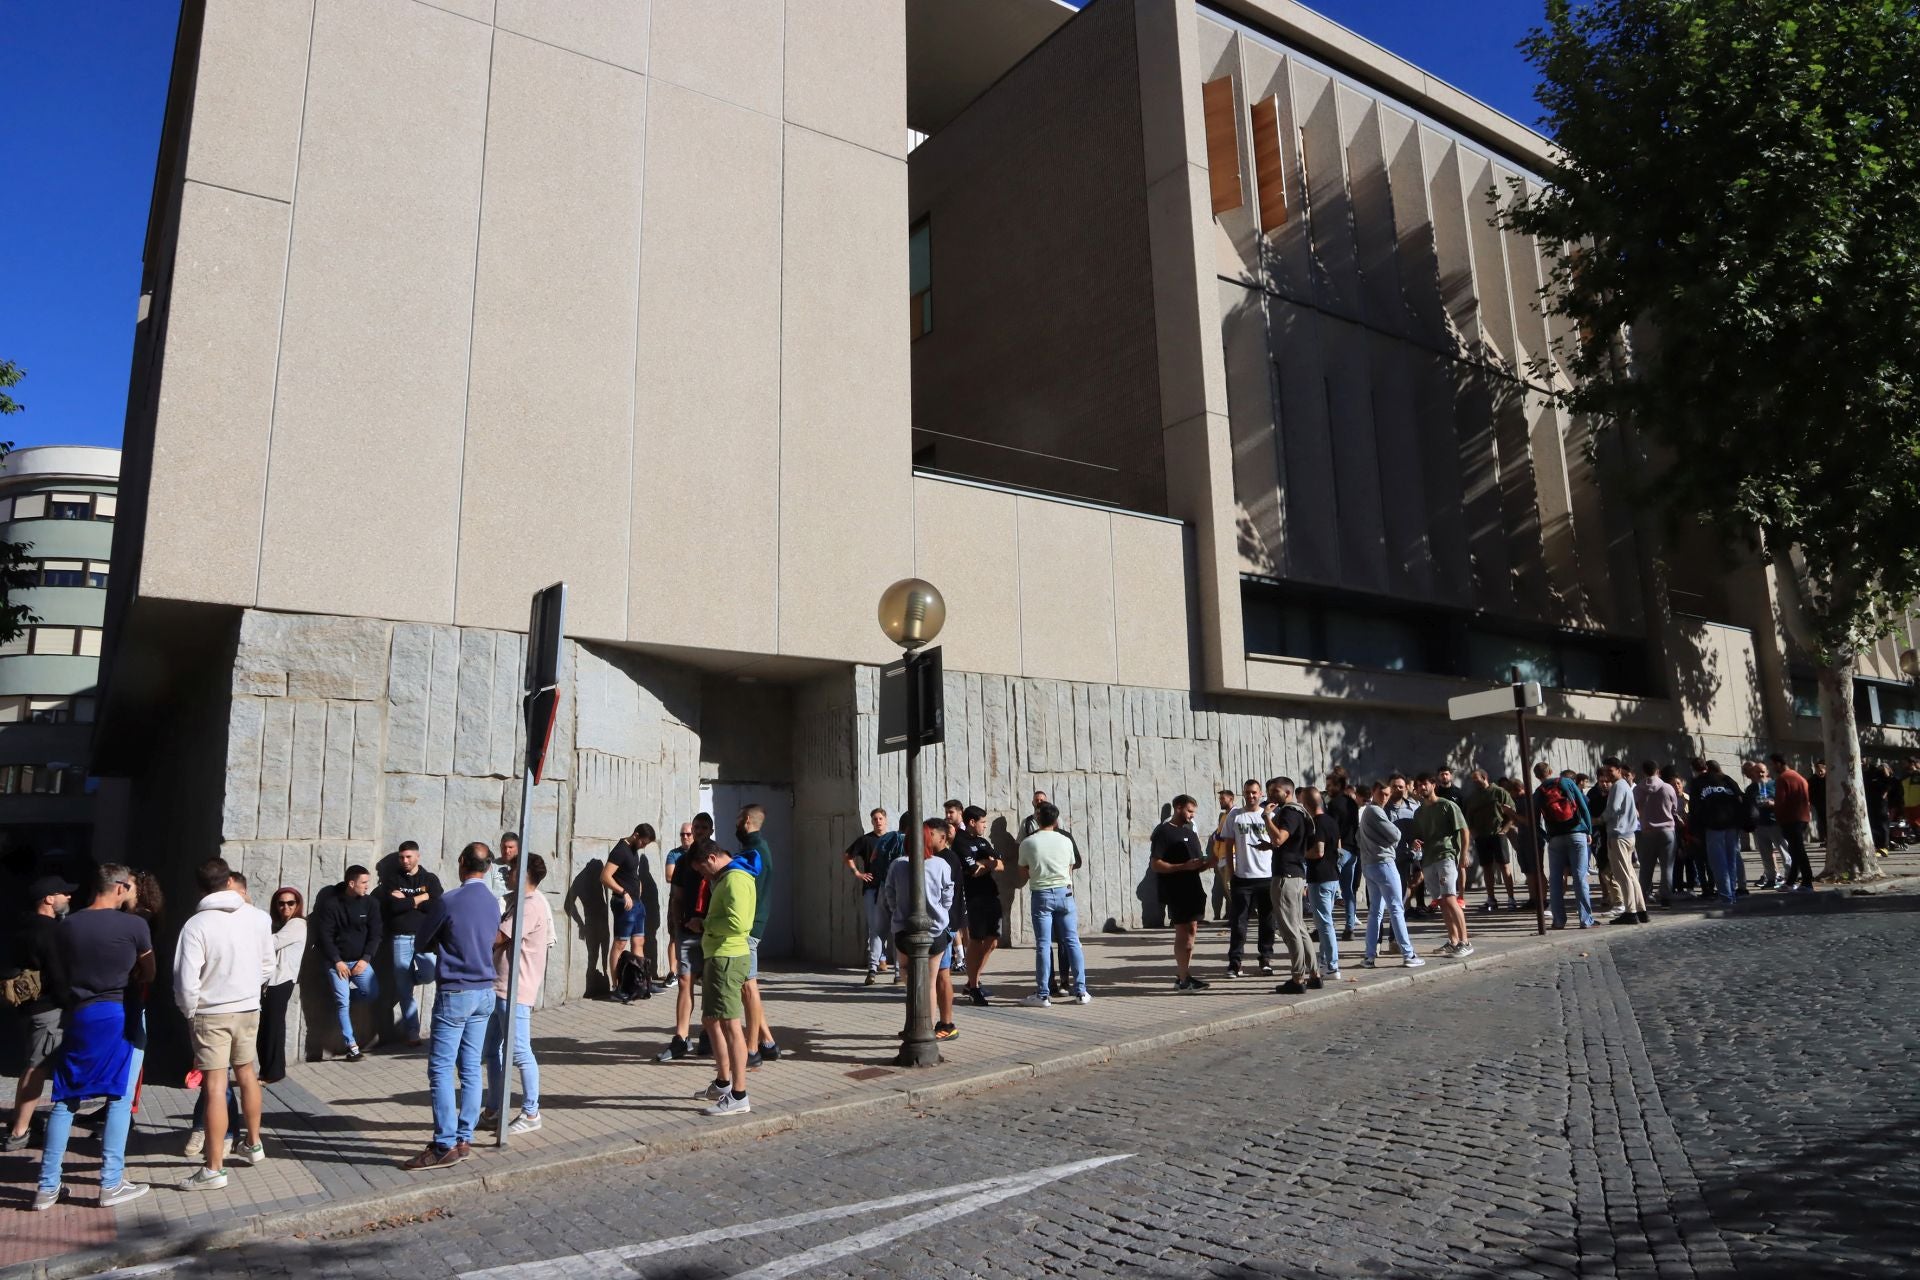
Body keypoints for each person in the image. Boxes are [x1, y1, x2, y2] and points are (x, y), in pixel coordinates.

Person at [33, 865, 155, 1210]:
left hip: (79, 1014)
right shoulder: (135, 925)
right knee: (119, 1094)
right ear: (119, 887)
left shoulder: (68, 925)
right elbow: (150, 972)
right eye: (130, 886)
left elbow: (58, 972)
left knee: (66, 1096)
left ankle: (47, 1186)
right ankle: (111, 1182)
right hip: (117, 1013)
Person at [174, 857, 276, 1190]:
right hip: (248, 1007)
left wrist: (190, 1012)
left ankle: (214, 1168)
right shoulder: (258, 918)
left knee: (215, 1086)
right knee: (247, 1073)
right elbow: (267, 966)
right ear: (230, 881)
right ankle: (254, 1144)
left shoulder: (196, 925)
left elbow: (185, 981)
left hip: (212, 1012)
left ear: (201, 887)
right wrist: (248, 990)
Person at [401, 842, 498, 1170]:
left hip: (457, 990)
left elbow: (422, 939)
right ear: (487, 868)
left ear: (461, 863)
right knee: (470, 1066)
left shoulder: (449, 900)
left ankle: (444, 1142)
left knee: (441, 1068)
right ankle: (464, 1136)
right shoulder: (493, 901)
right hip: (485, 989)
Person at [481, 852, 552, 1136]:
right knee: (491, 1051)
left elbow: (499, 937)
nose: (506, 875)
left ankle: (531, 1112)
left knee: (521, 1052)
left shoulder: (531, 905)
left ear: (523, 875)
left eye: (510, 871)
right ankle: (495, 1109)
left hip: (516, 990)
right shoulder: (518, 903)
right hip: (500, 987)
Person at [5, 875, 73, 1152]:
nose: (68, 897)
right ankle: (19, 1132)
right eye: (63, 893)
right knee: (37, 1067)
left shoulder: (21, 926)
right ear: (48, 899)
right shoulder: (50, 931)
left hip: (27, 1007)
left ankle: (18, 1122)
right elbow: (59, 974)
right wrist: (70, 1003)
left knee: (31, 1065)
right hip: (48, 1009)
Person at [692, 838, 756, 1116]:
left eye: (702, 870)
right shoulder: (729, 877)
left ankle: (739, 1095)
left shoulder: (734, 880)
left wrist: (705, 923)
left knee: (731, 1025)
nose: (704, 877)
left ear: (711, 859)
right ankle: (723, 1082)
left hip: (728, 957)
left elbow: (739, 923)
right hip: (720, 955)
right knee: (710, 1019)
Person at [888, 818, 959, 1040]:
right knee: (929, 982)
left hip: (903, 929)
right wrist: (940, 911)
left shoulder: (898, 864)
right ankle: (925, 1027)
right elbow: (948, 894)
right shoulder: (940, 865)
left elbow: (889, 894)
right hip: (935, 929)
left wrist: (898, 911)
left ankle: (913, 1024)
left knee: (910, 979)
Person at [1017, 802, 1089, 1005]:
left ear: (1037, 819)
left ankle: (1043, 994)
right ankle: (1081, 991)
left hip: (1041, 894)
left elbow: (1023, 871)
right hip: (1065, 893)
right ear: (1056, 820)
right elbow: (1071, 865)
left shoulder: (1029, 842)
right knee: (1072, 941)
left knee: (1043, 944)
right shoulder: (1065, 840)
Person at [655, 815, 712, 1062]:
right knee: (685, 981)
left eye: (702, 828)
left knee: (710, 984)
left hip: (712, 932)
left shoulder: (718, 856)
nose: (697, 832)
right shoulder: (682, 861)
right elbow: (676, 897)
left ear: (710, 830)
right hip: (688, 932)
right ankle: (681, 1038)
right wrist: (679, 926)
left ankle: (709, 1033)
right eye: (694, 828)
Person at [313, 864, 382, 1060]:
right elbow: (325, 936)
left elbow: (376, 934)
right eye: (364, 882)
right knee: (342, 1003)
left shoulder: (371, 904)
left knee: (371, 992)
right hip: (338, 964)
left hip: (361, 962)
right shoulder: (331, 905)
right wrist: (337, 961)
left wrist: (366, 959)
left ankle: (342, 997)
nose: (367, 886)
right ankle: (352, 1046)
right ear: (351, 883)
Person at [732, 805, 782, 1067]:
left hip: (748, 928)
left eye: (738, 820)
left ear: (747, 820)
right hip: (751, 925)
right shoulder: (756, 848)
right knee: (749, 988)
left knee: (748, 988)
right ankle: (769, 1042)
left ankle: (751, 1049)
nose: (736, 824)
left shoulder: (755, 852)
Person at [378, 841, 442, 1047]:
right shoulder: (392, 880)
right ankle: (412, 1032)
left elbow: (437, 905)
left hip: (425, 938)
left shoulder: (429, 879)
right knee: (405, 992)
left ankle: (408, 979)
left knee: (430, 973)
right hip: (400, 939)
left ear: (417, 857)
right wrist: (420, 899)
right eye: (401, 857)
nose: (405, 861)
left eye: (408, 857)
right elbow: (393, 908)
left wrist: (407, 899)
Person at [1149, 794, 1211, 991]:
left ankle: (1183, 974)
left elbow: (1195, 864)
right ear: (1178, 808)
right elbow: (1156, 864)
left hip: (1193, 889)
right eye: (1189, 811)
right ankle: (1184, 979)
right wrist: (1182, 866)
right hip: (1175, 890)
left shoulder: (1191, 834)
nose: (1192, 816)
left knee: (1192, 931)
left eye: (1194, 812)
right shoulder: (1163, 832)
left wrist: (1209, 863)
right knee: (1182, 932)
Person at [1356, 783, 1421, 968]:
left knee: (1376, 911)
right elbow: (1395, 834)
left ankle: (1369, 956)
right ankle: (1408, 954)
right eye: (1381, 793)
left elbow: (1358, 838)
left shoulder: (1367, 812)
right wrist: (1387, 844)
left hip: (1370, 864)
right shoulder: (1375, 811)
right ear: (1374, 793)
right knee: (1396, 908)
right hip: (1383, 863)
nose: (1384, 797)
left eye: (1387, 794)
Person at [1265, 778, 1319, 994]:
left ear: (1287, 792)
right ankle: (1314, 975)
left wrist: (1266, 817)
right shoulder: (1300, 813)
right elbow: (1287, 843)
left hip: (1285, 877)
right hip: (1296, 874)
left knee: (1289, 929)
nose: (1270, 794)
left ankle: (1298, 979)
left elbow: (1280, 839)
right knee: (1300, 927)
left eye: (1274, 790)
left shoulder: (1289, 813)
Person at [1410, 773, 1473, 957]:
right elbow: (1418, 836)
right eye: (1419, 785)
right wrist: (1415, 842)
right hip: (1428, 859)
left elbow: (1464, 829)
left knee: (1450, 899)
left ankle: (1465, 941)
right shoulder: (1419, 812)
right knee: (1441, 901)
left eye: (1425, 784)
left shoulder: (1447, 805)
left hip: (1446, 856)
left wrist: (1464, 854)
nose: (1422, 788)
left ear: (1433, 785)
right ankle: (1453, 941)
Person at [1221, 779, 1278, 978]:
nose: (1250, 796)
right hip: (1242, 878)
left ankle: (1265, 959)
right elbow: (1228, 845)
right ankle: (1235, 963)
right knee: (1238, 923)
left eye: (1254, 792)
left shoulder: (1270, 816)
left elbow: (1279, 840)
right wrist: (1231, 870)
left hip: (1267, 877)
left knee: (1267, 922)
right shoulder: (1234, 816)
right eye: (1247, 793)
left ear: (1261, 793)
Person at [1534, 762, 1595, 929]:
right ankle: (1585, 919)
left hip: (1555, 838)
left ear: (1537, 776)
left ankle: (1559, 920)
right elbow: (1582, 806)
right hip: (1576, 833)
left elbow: (1535, 821)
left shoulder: (1538, 792)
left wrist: (1546, 836)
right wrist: (1588, 830)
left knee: (1555, 879)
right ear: (1551, 771)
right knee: (1580, 876)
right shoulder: (1566, 782)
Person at [953, 805, 1004, 1004]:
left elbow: (1000, 865)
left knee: (992, 942)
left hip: (991, 895)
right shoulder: (961, 842)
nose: (985, 826)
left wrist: (987, 863)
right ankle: (974, 986)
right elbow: (973, 870)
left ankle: (972, 981)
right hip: (974, 898)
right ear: (972, 822)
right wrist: (987, 863)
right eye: (982, 822)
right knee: (976, 940)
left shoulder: (982, 841)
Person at [601, 824, 657, 1001]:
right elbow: (605, 876)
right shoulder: (620, 851)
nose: (643, 846)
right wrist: (623, 892)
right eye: (643, 842)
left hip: (637, 904)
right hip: (624, 904)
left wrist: (638, 885)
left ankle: (641, 983)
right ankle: (617, 987)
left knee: (639, 941)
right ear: (636, 834)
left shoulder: (633, 850)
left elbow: (631, 873)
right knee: (620, 943)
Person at [260, 886, 305, 1084]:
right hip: (272, 982)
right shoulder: (281, 924)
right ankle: (270, 1070)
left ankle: (273, 1072)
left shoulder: (297, 923)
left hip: (282, 981)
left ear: (297, 905)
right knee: (270, 1026)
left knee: (272, 1026)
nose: (285, 907)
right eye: (281, 903)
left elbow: (273, 942)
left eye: (290, 903)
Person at [844, 808, 895, 983]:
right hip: (872, 889)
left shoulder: (893, 839)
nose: (878, 821)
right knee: (875, 928)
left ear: (886, 819)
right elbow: (848, 855)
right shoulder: (866, 840)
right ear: (872, 821)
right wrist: (857, 873)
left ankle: (896, 970)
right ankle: (872, 968)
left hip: (890, 889)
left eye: (881, 818)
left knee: (895, 928)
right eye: (875, 819)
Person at [1597, 759, 1648, 924]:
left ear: (1619, 770)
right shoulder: (1625, 785)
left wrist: (1598, 820)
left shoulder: (1618, 786)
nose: (1607, 774)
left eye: (1610, 771)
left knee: (1623, 876)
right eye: (1605, 771)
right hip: (1628, 834)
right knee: (1631, 874)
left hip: (1619, 835)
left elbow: (1613, 810)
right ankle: (1641, 910)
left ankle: (1631, 911)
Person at [1302, 788, 1343, 981]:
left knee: (1325, 923)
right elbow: (1338, 847)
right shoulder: (1331, 821)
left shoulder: (1317, 823)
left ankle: (1332, 965)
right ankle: (1325, 959)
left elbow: (1318, 851)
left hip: (1320, 877)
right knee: (1324, 922)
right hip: (1331, 876)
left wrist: (1298, 854)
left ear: (1307, 804)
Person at [1689, 762, 1745, 904]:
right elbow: (1740, 799)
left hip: (1713, 826)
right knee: (1731, 861)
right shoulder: (1727, 780)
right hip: (1732, 825)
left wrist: (1695, 830)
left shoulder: (1698, 783)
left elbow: (1695, 808)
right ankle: (1730, 893)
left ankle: (1726, 896)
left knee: (1718, 862)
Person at [1464, 769, 1519, 913]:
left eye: (1476, 779)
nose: (1474, 782)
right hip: (1482, 837)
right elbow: (1469, 818)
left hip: (1497, 835)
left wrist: (1505, 829)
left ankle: (1511, 899)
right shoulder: (1473, 797)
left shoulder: (1499, 792)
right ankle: (1491, 899)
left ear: (1485, 777)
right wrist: (1474, 833)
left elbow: (1512, 812)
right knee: (1487, 867)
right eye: (1473, 779)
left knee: (1504, 866)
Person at [1633, 761, 1679, 909]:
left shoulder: (1638, 789)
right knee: (1667, 867)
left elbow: (1634, 808)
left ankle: (1643, 897)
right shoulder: (1667, 788)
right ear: (1657, 771)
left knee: (1646, 867)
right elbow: (1675, 808)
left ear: (1644, 772)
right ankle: (1666, 899)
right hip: (1667, 831)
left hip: (1647, 831)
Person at [1322, 771, 1362, 939]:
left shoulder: (1334, 804)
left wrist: (1333, 850)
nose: (1327, 788)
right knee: (1348, 891)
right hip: (1353, 850)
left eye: (1330, 785)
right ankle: (1349, 927)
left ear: (1338, 785)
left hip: (1340, 850)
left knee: (1329, 889)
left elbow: (1333, 829)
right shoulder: (1352, 803)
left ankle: (1325, 926)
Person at [1771, 753, 1814, 892]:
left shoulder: (1783, 778)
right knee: (1795, 850)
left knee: (1798, 850)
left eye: (1773, 764)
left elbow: (1780, 802)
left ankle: (1807, 881)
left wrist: (1776, 815)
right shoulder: (1800, 778)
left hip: (1790, 819)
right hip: (1802, 817)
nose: (1772, 768)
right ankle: (1791, 881)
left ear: (1778, 763)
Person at [1743, 762, 1785, 890]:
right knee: (1766, 854)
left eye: (1762, 771)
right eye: (1757, 772)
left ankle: (1790, 878)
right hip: (1760, 825)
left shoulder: (1775, 784)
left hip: (1775, 823)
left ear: (1767, 772)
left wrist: (1773, 803)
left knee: (1784, 851)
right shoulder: (1750, 789)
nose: (1760, 774)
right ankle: (1771, 879)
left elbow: (1784, 801)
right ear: (1752, 774)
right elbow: (1747, 806)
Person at [1210, 788, 1236, 921]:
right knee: (1227, 889)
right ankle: (1233, 915)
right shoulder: (1225, 815)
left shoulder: (1235, 814)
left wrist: (1218, 836)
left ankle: (1236, 916)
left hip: (1231, 855)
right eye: (1220, 799)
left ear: (1231, 799)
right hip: (1221, 856)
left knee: (1231, 888)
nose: (1220, 801)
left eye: (1223, 799)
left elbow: (1227, 835)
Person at [1809, 759, 1829, 844]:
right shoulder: (1813, 779)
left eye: (1821, 771)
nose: (1820, 773)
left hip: (1829, 804)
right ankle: (1827, 839)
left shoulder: (1829, 779)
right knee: (1823, 823)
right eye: (1817, 771)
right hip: (1820, 805)